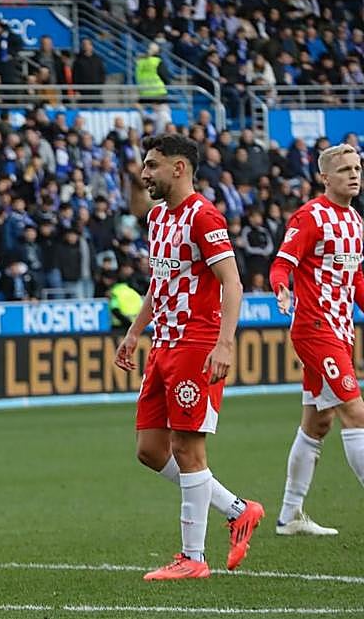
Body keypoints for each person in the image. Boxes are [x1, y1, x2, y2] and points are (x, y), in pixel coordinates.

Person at [115, 133, 264, 580]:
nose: (145, 174)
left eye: (152, 165)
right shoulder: (159, 217)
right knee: (149, 449)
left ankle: (193, 558)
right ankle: (238, 509)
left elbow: (232, 284)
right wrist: (135, 331)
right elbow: (160, 284)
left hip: (196, 345)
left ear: (179, 168)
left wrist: (225, 343)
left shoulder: (204, 216)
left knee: (186, 447)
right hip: (163, 343)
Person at [269, 143, 364, 536]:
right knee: (355, 413)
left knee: (318, 421)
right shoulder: (310, 217)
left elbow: (355, 280)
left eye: (357, 168)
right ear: (325, 177)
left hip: (341, 331)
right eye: (344, 170)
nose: (354, 175)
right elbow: (282, 263)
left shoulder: (356, 222)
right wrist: (281, 289)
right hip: (314, 327)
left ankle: (290, 515)